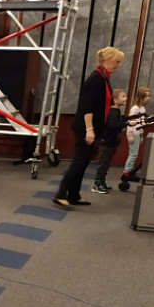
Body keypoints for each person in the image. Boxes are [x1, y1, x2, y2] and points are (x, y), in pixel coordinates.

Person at [53, 46, 125, 209]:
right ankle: (60, 195)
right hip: (85, 128)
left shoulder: (104, 78)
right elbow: (87, 107)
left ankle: (74, 195)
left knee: (84, 162)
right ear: (107, 60)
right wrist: (89, 130)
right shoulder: (96, 78)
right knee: (79, 162)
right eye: (117, 61)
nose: (118, 65)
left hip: (93, 128)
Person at [93, 88, 128, 193]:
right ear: (115, 100)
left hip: (112, 142)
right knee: (103, 163)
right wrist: (127, 124)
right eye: (123, 96)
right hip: (107, 143)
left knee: (107, 164)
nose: (125, 98)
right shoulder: (112, 112)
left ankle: (102, 181)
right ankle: (97, 183)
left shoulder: (116, 111)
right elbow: (113, 126)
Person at [121, 85, 152, 187]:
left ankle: (129, 171)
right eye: (146, 96)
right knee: (133, 154)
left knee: (134, 154)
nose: (148, 98)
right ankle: (126, 173)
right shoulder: (135, 108)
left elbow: (141, 123)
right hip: (133, 133)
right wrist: (129, 134)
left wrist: (141, 135)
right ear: (140, 97)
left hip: (138, 133)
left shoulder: (142, 108)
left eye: (149, 96)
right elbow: (130, 122)